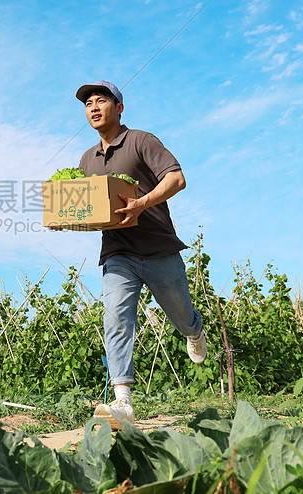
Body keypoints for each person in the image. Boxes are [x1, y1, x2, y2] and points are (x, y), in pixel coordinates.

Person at [75, 80, 206, 430]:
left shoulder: (142, 141)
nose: (93, 107)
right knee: (116, 317)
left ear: (119, 108)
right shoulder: (87, 160)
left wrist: (142, 203)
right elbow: (88, 209)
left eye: (101, 100)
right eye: (88, 103)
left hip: (159, 247)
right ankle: (123, 402)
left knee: (181, 313)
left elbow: (177, 179)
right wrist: (69, 219)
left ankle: (194, 330)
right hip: (119, 252)